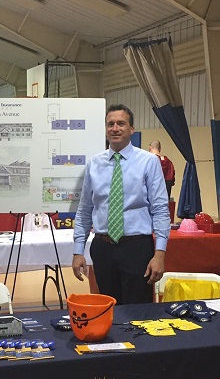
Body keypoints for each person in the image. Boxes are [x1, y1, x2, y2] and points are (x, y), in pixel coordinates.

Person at [72, 104, 170, 304]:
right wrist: (77, 251)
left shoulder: (149, 162)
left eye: (121, 123)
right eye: (110, 124)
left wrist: (159, 254)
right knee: (108, 308)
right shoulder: (94, 164)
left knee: (138, 312)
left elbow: (160, 209)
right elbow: (84, 210)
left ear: (131, 129)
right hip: (102, 248)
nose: (115, 128)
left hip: (136, 248)